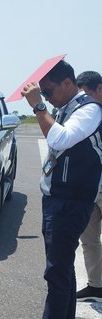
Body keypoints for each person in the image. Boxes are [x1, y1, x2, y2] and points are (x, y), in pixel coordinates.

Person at [14, 60, 102, 319]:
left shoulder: (89, 110)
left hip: (70, 201)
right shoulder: (68, 108)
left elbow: (60, 139)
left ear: (67, 83)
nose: (47, 97)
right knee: (62, 267)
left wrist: (38, 105)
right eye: (44, 94)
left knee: (56, 270)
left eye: (49, 91)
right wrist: (43, 105)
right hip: (59, 199)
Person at [76, 71, 102, 302]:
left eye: (88, 94)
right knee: (89, 239)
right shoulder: (84, 114)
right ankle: (96, 285)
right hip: (91, 187)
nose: (85, 100)